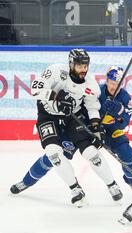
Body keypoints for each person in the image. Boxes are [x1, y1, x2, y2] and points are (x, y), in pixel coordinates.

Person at [9, 66, 132, 198]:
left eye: (118, 84)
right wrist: (93, 125)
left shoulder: (125, 97)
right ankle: (26, 181)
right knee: (55, 155)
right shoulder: (97, 91)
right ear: (106, 80)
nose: (114, 87)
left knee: (126, 152)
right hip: (86, 128)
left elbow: (124, 123)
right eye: (112, 83)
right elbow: (82, 110)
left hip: (110, 131)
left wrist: (119, 112)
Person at [20, 49, 123, 207]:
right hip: (48, 114)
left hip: (72, 116)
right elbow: (34, 89)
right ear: (71, 64)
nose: (83, 69)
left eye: (85, 66)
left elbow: (92, 106)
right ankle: (75, 190)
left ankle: (112, 185)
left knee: (91, 152)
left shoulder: (91, 85)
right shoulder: (56, 71)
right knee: (53, 153)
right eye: (79, 66)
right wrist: (56, 96)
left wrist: (96, 128)